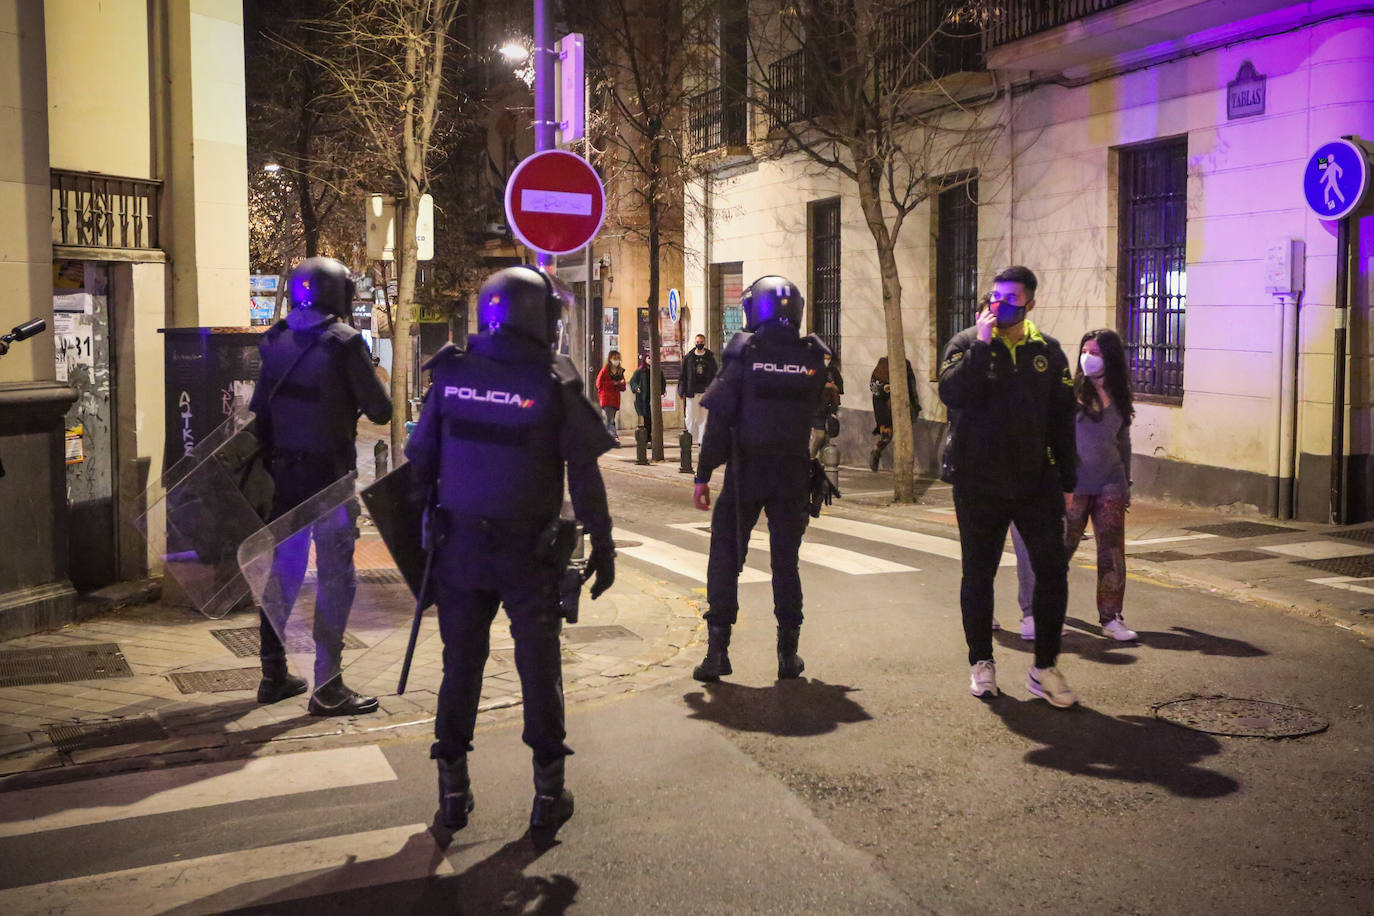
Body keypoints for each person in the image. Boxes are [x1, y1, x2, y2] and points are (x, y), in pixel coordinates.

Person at [405, 265, 616, 840]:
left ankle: (452, 792)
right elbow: (585, 472)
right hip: (530, 554)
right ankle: (548, 796)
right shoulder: (553, 383)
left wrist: (425, 531)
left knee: (460, 669)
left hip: (460, 553)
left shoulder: (449, 374)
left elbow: (418, 463)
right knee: (539, 672)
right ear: (533, 317)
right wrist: (603, 540)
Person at [250, 256, 392, 715]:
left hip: (287, 480)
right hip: (330, 483)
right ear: (338, 294)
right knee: (336, 579)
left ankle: (272, 674)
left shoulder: (274, 340)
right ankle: (328, 685)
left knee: (283, 574)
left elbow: (261, 415)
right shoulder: (344, 343)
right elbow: (382, 410)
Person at [937, 265, 1079, 708]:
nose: (1000, 305)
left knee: (1052, 571)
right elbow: (951, 394)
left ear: (1030, 304)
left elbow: (1062, 421)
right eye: (996, 296)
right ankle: (981, 662)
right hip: (977, 483)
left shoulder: (1048, 352)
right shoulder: (965, 343)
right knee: (977, 574)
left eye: (1012, 298)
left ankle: (1045, 667)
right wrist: (981, 346)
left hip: (1035, 482)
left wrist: (1070, 481)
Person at [691, 275, 829, 682]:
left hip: (746, 470)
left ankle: (718, 653)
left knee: (726, 558)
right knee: (786, 563)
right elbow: (820, 413)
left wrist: (702, 475)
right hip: (791, 474)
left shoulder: (743, 352)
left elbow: (719, 420)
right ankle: (788, 655)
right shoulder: (813, 357)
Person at [1011, 329, 1137, 642]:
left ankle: (1112, 617)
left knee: (1112, 553)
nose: (1088, 357)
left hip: (1111, 484)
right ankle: (1038, 611)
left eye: (1095, 352)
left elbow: (1123, 441)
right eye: (1085, 350)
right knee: (1055, 552)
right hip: (1073, 485)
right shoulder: (1070, 391)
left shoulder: (1120, 395)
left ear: (1110, 358)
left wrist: (1127, 483)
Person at [868, 356, 920, 471]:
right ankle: (878, 451)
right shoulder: (884, 365)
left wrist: (915, 406)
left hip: (895, 405)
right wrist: (884, 388)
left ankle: (884, 453)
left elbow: (911, 386)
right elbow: (873, 387)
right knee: (890, 434)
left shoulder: (903, 364)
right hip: (886, 406)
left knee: (896, 435)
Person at [679, 333, 719, 444]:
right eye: (697, 342)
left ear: (704, 342)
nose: (699, 344)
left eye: (701, 342)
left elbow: (715, 374)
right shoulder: (689, 358)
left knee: (704, 418)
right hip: (691, 391)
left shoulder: (710, 358)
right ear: (694, 343)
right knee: (690, 417)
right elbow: (683, 375)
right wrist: (681, 390)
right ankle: (691, 438)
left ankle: (702, 440)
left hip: (706, 392)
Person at [810, 352, 844, 459]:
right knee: (819, 436)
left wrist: (832, 387)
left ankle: (820, 465)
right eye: (824, 355)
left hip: (830, 408)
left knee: (826, 439)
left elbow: (840, 388)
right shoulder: (812, 369)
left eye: (828, 356)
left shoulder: (833, 371)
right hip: (816, 408)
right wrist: (827, 385)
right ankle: (810, 458)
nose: (826, 358)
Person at [629, 353, 665, 444]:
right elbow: (633, 381)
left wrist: (662, 391)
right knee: (646, 419)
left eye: (652, 358)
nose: (650, 360)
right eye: (649, 358)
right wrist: (637, 388)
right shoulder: (640, 371)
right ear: (645, 359)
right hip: (643, 399)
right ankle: (647, 438)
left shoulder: (657, 371)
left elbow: (662, 382)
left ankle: (654, 438)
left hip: (654, 398)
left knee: (654, 418)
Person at [595, 349, 627, 446]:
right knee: (610, 419)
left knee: (609, 419)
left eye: (618, 358)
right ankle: (614, 437)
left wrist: (620, 384)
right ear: (610, 359)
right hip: (606, 398)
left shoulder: (620, 371)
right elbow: (598, 384)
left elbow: (623, 387)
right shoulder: (605, 370)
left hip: (615, 399)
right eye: (614, 358)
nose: (616, 360)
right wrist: (613, 383)